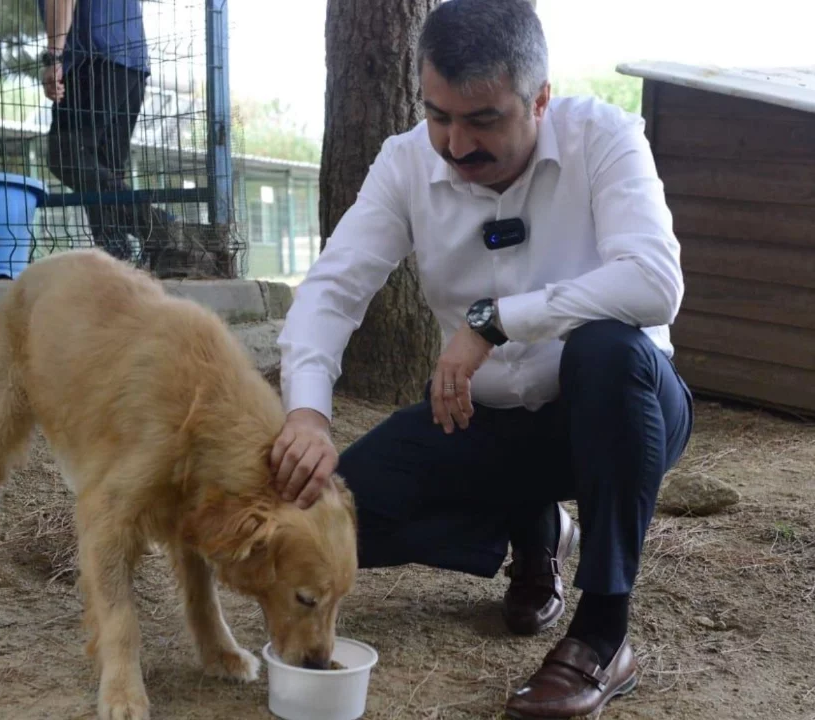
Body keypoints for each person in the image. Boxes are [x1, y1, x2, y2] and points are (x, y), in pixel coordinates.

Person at [270, 0, 693, 717]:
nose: (455, 144)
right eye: (438, 115)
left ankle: (602, 634)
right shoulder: (406, 161)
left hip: (624, 408)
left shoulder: (605, 137)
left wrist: (496, 324)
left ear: (539, 100)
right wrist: (307, 415)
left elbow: (655, 283)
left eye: (483, 120)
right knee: (341, 512)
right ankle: (533, 528)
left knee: (606, 349)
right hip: (491, 422)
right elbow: (333, 288)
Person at [36, 0, 185, 267]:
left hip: (91, 58)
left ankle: (159, 227)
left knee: (67, 157)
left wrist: (54, 57)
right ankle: (118, 262)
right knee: (103, 170)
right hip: (132, 62)